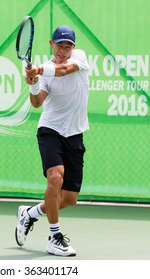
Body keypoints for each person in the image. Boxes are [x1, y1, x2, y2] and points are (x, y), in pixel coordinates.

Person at [15, 25, 89, 257]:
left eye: (68, 46)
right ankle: (54, 237)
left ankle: (30, 214)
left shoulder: (79, 58)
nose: (63, 51)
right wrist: (34, 82)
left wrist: (37, 69)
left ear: (73, 48)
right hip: (50, 130)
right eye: (60, 46)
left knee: (68, 199)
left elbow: (65, 70)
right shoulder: (45, 70)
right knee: (55, 176)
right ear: (51, 44)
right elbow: (37, 102)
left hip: (75, 133)